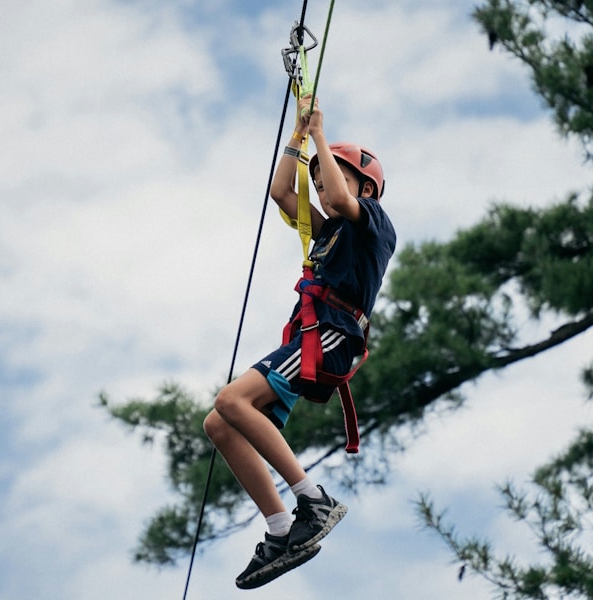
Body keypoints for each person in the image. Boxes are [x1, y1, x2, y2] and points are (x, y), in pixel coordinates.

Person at [202, 93, 397, 589]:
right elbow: (281, 192)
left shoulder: (373, 224)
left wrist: (321, 137)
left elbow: (338, 196)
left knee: (231, 399)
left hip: (334, 335)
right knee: (219, 423)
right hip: (312, 336)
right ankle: (281, 526)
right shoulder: (327, 232)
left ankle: (314, 499)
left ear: (366, 188)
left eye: (336, 175)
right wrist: (297, 137)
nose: (324, 184)